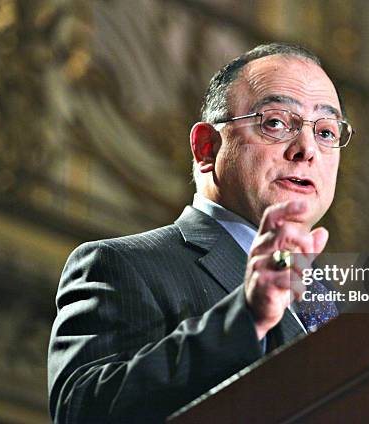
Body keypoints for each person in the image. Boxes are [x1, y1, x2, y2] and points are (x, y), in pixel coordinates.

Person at [47, 42, 353, 423]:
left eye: (325, 131)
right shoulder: (121, 265)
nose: (307, 148)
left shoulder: (339, 304)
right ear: (207, 148)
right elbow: (83, 410)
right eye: (275, 122)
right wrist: (245, 318)